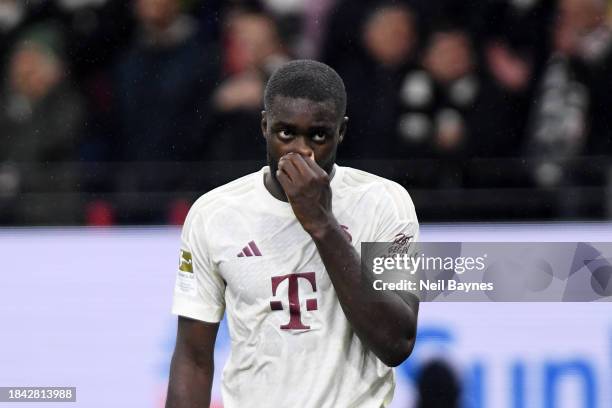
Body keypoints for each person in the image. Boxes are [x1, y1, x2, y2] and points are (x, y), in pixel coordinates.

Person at [166, 60, 420, 408]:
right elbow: (193, 358)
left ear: (340, 132)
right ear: (264, 125)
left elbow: (396, 342)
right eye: (286, 133)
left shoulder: (384, 203)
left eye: (318, 135)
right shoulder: (214, 215)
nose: (301, 151)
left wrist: (322, 224)